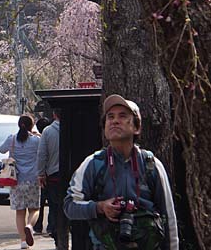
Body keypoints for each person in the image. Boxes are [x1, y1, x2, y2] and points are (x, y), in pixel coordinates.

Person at [64, 95, 178, 250]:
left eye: (123, 116)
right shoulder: (93, 163)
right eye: (110, 117)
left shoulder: (151, 165)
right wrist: (99, 207)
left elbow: (169, 217)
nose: (114, 121)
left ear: (136, 127)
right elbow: (70, 206)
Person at [0, 115, 42, 249]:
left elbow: (1, 150)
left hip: (16, 180)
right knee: (34, 209)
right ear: (31, 126)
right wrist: (38, 134)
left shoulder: (12, 139)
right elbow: (43, 151)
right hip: (33, 179)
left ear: (19, 125)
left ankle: (23, 242)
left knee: (20, 211)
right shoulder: (36, 140)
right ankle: (30, 226)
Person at [37, 111, 62, 247]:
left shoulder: (47, 132)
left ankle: (54, 228)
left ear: (54, 114)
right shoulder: (74, 129)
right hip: (72, 175)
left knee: (54, 205)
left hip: (53, 175)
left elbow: (42, 154)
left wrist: (41, 173)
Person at [35, 116, 52, 235]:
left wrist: (40, 173)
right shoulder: (52, 135)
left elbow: (41, 156)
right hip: (53, 173)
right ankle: (51, 226)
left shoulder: (39, 139)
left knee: (39, 203)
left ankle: (37, 225)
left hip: (42, 174)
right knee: (52, 203)